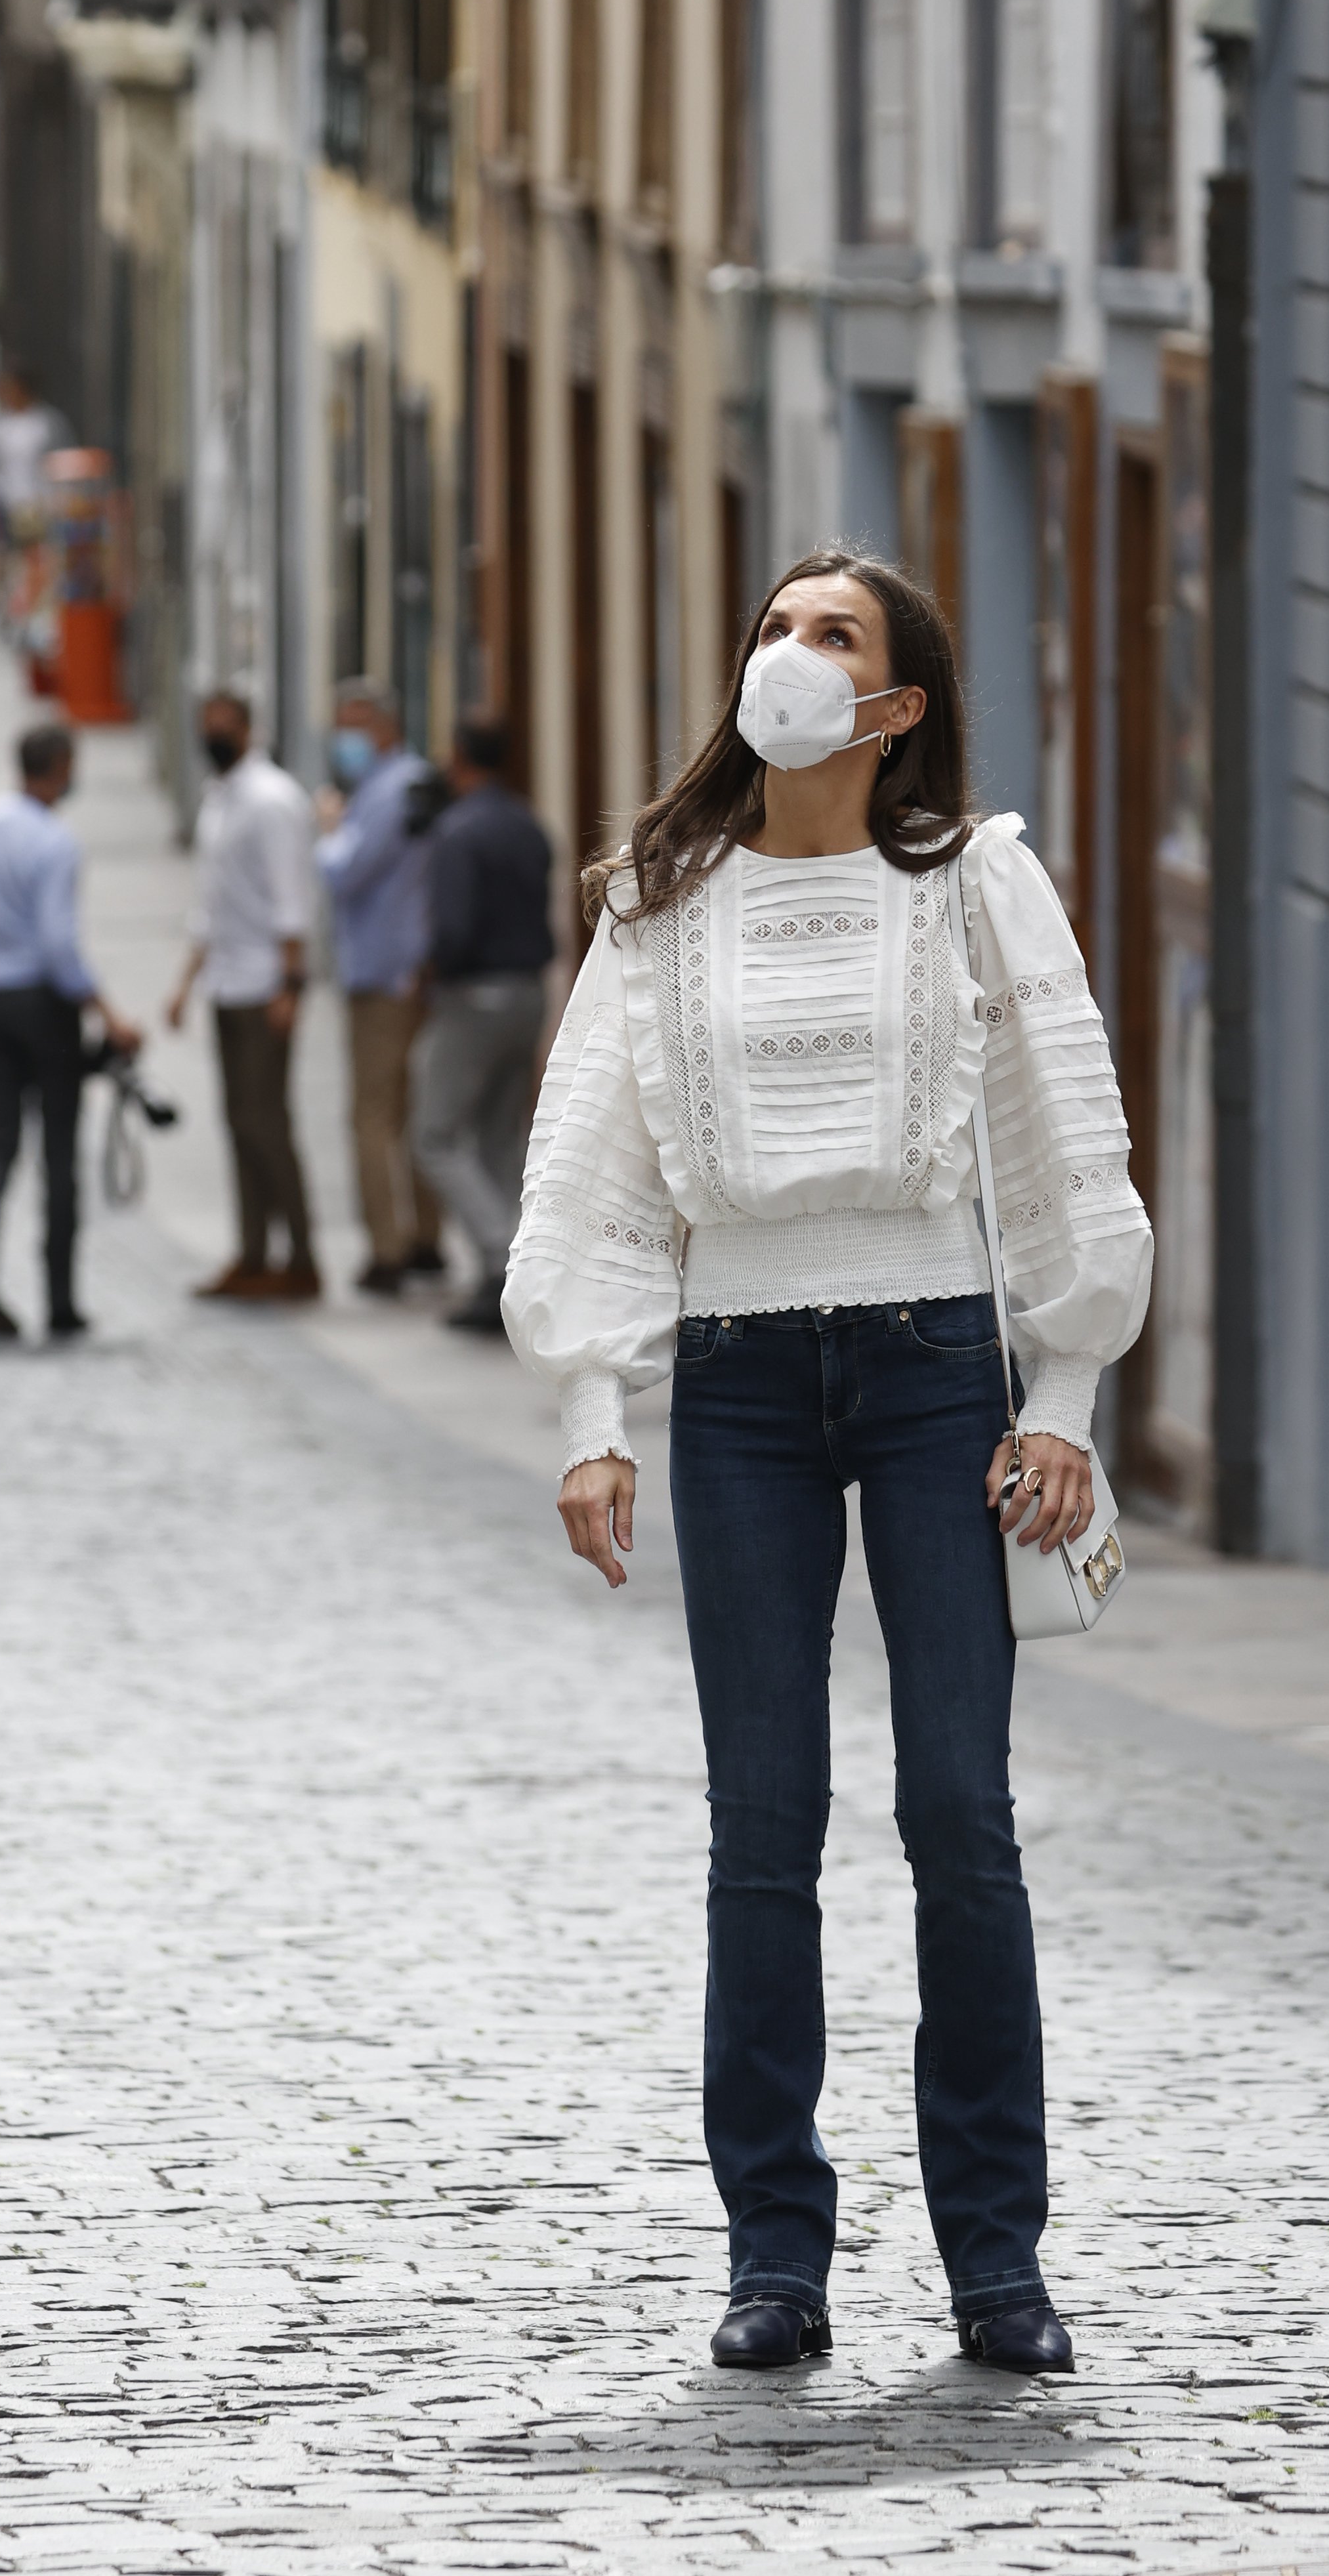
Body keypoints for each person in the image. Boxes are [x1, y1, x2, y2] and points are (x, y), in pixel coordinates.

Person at [503, 547, 1152, 2377]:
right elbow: (593, 1156)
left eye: (834, 635)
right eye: (775, 627)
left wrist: (1068, 1400)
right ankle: (774, 2256)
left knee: (963, 1815)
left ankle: (997, 2265)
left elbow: (1059, 1130)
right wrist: (590, 1415)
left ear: (897, 707)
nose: (789, 654)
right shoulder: (661, 898)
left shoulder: (976, 886)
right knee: (761, 1827)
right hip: (738, 1386)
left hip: (943, 1361)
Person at [0, 724, 142, 1342]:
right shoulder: (56, 843)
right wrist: (106, 1014)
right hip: (42, 1004)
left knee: (0, 1142)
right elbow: (60, 944)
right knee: (59, 1151)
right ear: (60, 767)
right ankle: (60, 1297)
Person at [165, 693, 320, 1302]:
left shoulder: (271, 800)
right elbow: (213, 903)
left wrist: (290, 984)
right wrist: (185, 983)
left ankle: (301, 1257)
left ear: (249, 730)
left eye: (225, 727)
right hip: (226, 979)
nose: (214, 736)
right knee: (238, 1122)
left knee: (266, 1123)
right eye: (207, 726)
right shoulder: (219, 798)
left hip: (262, 983)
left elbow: (292, 900)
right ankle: (253, 1252)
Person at [410, 717, 554, 1332]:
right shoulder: (528, 824)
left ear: (460, 759)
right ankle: (518, 1261)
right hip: (527, 992)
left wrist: (429, 974)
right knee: (501, 1136)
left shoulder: (458, 832)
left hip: (475, 994)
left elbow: (453, 928)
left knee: (435, 1135)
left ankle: (503, 1258)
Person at [312, 677, 444, 1296]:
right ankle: (425, 1236)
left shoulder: (386, 792)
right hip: (408, 969)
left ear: (384, 727)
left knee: (373, 1115)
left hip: (381, 974)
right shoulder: (404, 782)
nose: (345, 740)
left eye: (354, 725)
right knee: (414, 1108)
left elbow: (345, 873)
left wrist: (329, 828)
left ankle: (388, 1248)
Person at [0, 366, 65, 635]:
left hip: (36, 506)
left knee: (34, 561)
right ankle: (4, 610)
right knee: (3, 561)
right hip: (6, 503)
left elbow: (58, 461)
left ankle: (31, 610)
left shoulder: (45, 423)